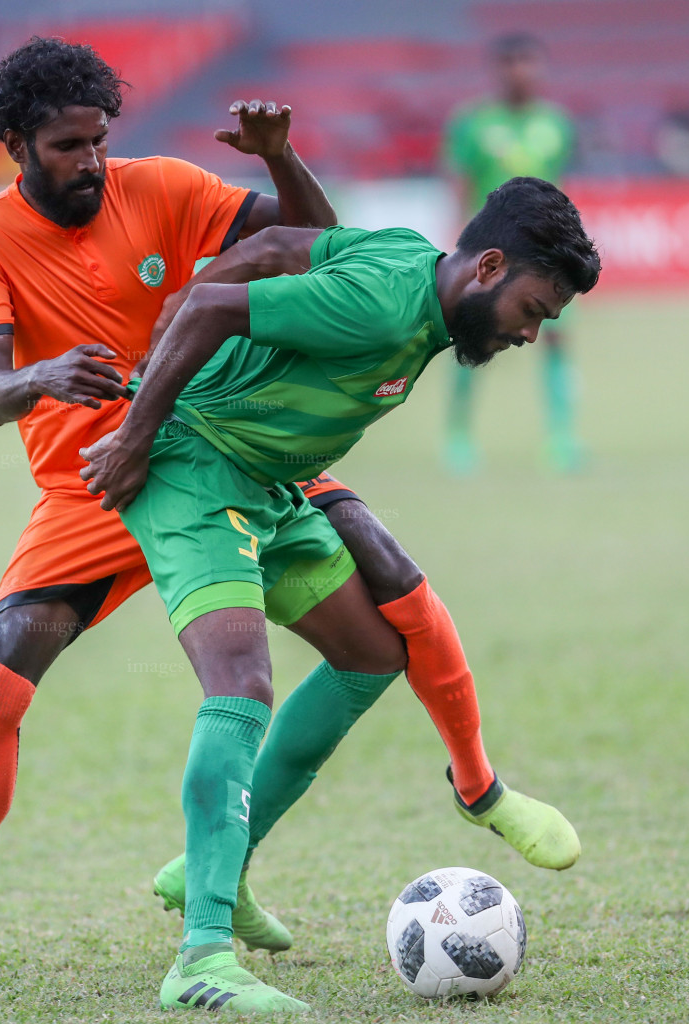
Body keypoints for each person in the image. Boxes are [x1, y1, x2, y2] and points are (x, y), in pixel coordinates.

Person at [0, 37, 573, 991]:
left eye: (100, 139)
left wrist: (279, 155)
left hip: (231, 439)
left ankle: (463, 791)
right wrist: (41, 373)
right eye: (69, 145)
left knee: (389, 595)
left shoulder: (157, 186)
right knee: (1, 684)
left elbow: (307, 246)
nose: (92, 161)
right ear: (17, 144)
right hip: (97, 477)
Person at [81, 176, 598, 1012]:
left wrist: (283, 163)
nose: (532, 333)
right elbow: (215, 304)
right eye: (532, 309)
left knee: (369, 654)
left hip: (266, 480)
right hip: (194, 464)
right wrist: (138, 433)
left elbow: (280, 247)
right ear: (488, 267)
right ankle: (202, 960)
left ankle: (217, 862)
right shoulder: (386, 307)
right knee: (240, 681)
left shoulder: (412, 267)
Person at [442, 33, 581, 475]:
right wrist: (456, 247)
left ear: (540, 67)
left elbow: (560, 186)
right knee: (472, 337)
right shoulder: (472, 123)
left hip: (546, 256)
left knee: (556, 339)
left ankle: (562, 439)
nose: (520, 70)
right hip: (490, 257)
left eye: (528, 61)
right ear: (497, 69)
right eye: (511, 62)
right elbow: (460, 185)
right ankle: (458, 440)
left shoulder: (557, 123)